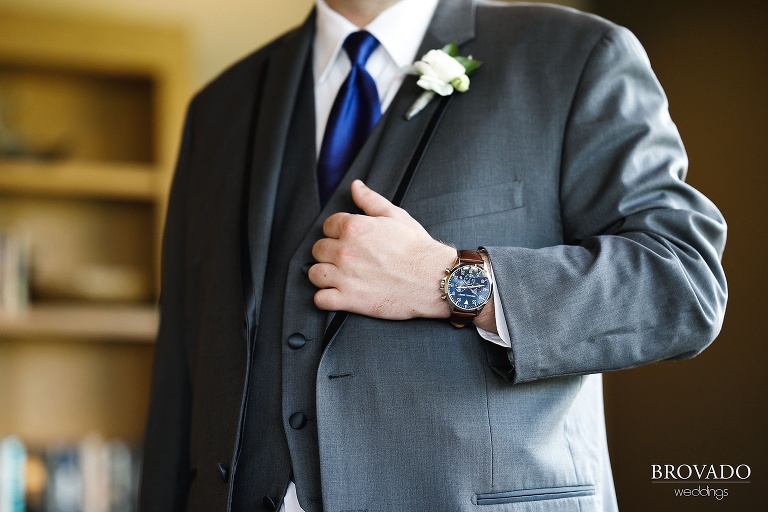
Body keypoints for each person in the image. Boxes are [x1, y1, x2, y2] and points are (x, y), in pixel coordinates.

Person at [138, 0, 727, 510]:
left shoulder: (574, 55)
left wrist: (448, 280)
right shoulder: (219, 107)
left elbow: (683, 280)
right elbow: (181, 372)